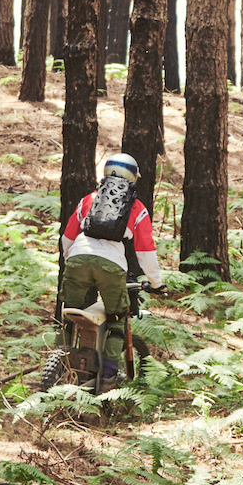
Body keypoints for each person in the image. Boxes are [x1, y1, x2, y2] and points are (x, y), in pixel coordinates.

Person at [61, 153, 166, 380]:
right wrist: (156, 283)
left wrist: (72, 259)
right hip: (112, 265)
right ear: (134, 177)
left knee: (68, 313)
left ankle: (59, 363)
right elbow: (146, 251)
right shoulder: (137, 208)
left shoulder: (89, 199)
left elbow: (68, 237)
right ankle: (108, 377)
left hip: (78, 257)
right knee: (118, 318)